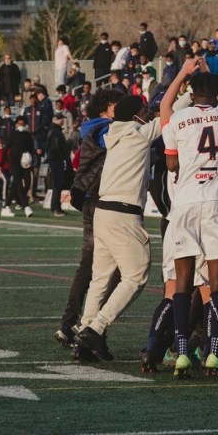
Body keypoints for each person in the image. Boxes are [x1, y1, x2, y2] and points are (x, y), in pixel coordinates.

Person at [72, 63, 185, 363]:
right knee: (136, 275)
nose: (148, 114)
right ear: (136, 115)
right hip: (122, 213)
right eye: (144, 111)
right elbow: (169, 114)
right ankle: (94, 329)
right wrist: (186, 85)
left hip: (103, 211)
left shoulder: (115, 133)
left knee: (100, 279)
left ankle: (85, 336)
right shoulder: (137, 134)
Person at [157, 63, 218, 377]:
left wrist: (181, 74)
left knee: (183, 282)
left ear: (190, 92)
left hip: (184, 204)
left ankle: (182, 352)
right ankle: (214, 352)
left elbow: (171, 162)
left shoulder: (179, 119)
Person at [55, 88, 123, 350]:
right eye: (120, 105)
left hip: (91, 198)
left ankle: (71, 324)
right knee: (110, 269)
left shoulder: (94, 127)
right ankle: (84, 325)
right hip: (98, 200)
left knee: (93, 265)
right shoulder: (105, 129)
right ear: (107, 107)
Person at [45, 113, 71, 217]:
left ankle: (56, 207)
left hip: (55, 159)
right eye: (60, 119)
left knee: (58, 184)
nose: (62, 121)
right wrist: (63, 157)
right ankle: (55, 208)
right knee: (58, 184)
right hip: (57, 160)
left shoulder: (54, 131)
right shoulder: (56, 132)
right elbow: (56, 148)